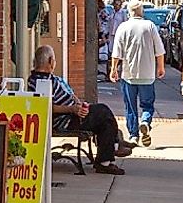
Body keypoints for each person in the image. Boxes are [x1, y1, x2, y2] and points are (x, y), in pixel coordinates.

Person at [32, 43, 126, 174]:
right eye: (54, 60)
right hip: (64, 120)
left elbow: (70, 94)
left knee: (103, 117)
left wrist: (79, 104)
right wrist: (72, 109)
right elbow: (45, 107)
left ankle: (109, 155)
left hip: (73, 114)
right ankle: (111, 152)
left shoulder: (51, 78)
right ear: (50, 61)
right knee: (103, 113)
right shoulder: (39, 82)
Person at [109, 1, 166, 146]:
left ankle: (133, 135)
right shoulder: (150, 26)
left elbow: (117, 52)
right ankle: (145, 121)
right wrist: (161, 67)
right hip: (147, 74)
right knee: (148, 105)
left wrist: (114, 68)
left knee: (130, 106)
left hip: (129, 75)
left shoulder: (123, 27)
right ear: (142, 11)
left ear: (129, 12)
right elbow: (159, 50)